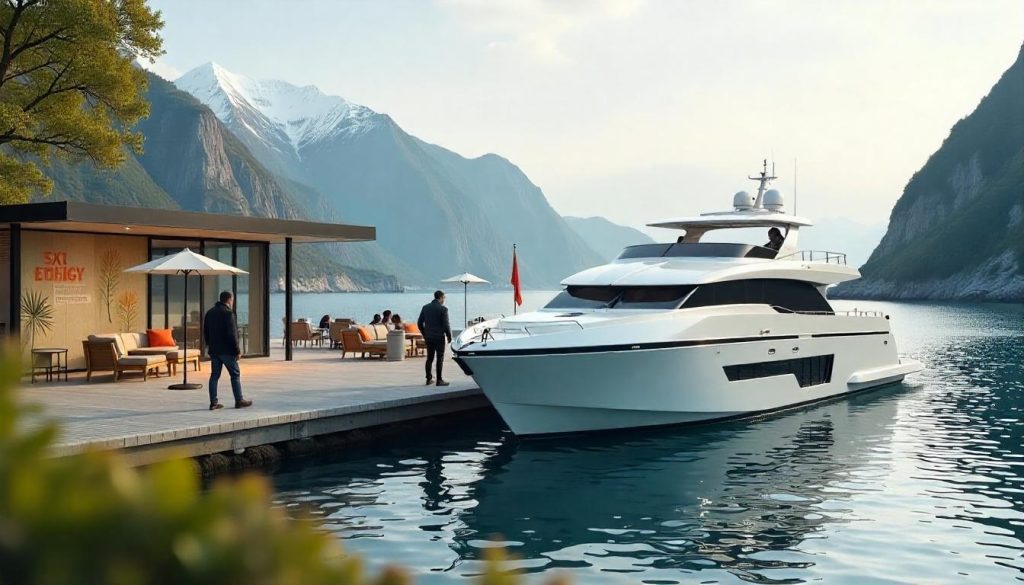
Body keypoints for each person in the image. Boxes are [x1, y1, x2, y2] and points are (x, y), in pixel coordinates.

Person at [203, 290, 252, 411]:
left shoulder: (210, 313)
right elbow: (232, 335)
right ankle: (239, 400)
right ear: (230, 299)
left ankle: (213, 403)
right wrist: (237, 351)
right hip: (227, 351)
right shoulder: (228, 313)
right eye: (232, 299)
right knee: (235, 374)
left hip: (214, 350)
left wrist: (210, 346)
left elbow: (206, 332)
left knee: (214, 375)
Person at [417, 290, 452, 387]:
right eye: (444, 298)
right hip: (439, 337)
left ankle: (428, 379)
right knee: (439, 358)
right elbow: (446, 325)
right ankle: (439, 380)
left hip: (429, 337)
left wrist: (425, 333)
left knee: (429, 358)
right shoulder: (443, 309)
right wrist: (449, 336)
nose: (444, 300)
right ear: (440, 298)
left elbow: (419, 323)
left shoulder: (425, 307)